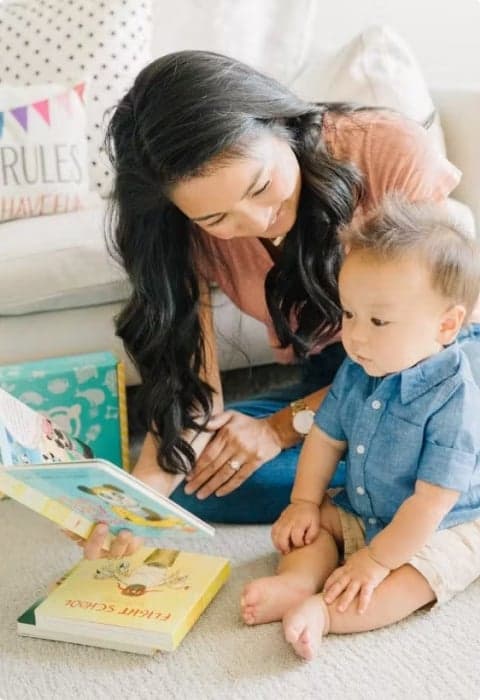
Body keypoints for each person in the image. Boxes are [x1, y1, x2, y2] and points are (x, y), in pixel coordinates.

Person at [76, 49, 479, 559]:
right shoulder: (177, 228)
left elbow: (459, 340)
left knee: (339, 456)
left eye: (262, 186)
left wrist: (280, 428)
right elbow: (189, 389)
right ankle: (388, 479)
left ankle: (428, 477)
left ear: (281, 124)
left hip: (432, 379)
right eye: (217, 218)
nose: (258, 219)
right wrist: (138, 506)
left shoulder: (385, 149)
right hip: (331, 379)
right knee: (204, 482)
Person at [240, 198, 480, 660]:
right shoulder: (358, 368)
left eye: (378, 321)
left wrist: (376, 560)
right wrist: (304, 503)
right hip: (365, 503)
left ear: (446, 325)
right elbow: (326, 439)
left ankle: (328, 614)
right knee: (315, 530)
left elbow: (431, 503)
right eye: (349, 314)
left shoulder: (456, 399)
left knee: (415, 579)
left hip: (443, 524)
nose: (356, 335)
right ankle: (296, 582)